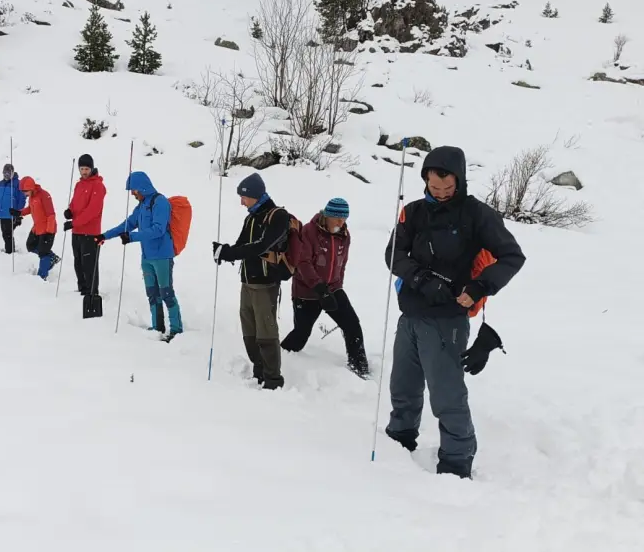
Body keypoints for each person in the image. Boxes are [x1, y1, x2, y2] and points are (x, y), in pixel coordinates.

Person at [384, 145, 526, 479]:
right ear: (426, 179)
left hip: (448, 320)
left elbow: (512, 256)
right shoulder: (413, 212)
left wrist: (479, 287)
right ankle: (400, 440)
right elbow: (394, 253)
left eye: (449, 187)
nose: (442, 193)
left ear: (459, 181)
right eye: (435, 186)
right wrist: (421, 279)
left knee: (446, 394)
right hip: (411, 315)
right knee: (402, 387)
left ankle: (457, 458)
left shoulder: (476, 214)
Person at [212, 173, 292, 390]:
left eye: (244, 197)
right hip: (247, 281)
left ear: (255, 195)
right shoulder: (251, 217)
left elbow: (261, 246)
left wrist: (229, 253)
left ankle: (273, 378)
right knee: (249, 327)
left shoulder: (277, 216)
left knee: (266, 329)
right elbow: (242, 245)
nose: (241, 202)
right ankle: (259, 370)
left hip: (265, 282)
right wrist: (224, 251)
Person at [280, 198, 370, 378]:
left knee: (352, 325)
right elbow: (303, 263)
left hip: (333, 288)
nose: (341, 222)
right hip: (307, 291)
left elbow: (342, 264)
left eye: (344, 218)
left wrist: (337, 286)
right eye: (337, 218)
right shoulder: (309, 231)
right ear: (327, 215)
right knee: (301, 333)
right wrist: (320, 289)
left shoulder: (345, 235)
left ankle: (359, 367)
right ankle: (280, 356)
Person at [96, 171, 183, 338]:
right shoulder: (142, 206)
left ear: (142, 187)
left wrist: (132, 237)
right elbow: (128, 224)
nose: (132, 193)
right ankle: (157, 327)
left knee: (166, 293)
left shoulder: (160, 202)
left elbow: (158, 229)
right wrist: (105, 236)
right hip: (147, 257)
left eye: (134, 190)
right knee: (152, 293)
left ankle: (176, 330)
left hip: (162, 256)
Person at [64, 154, 106, 297]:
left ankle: (92, 293)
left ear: (92, 168)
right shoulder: (78, 184)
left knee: (89, 265)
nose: (84, 172)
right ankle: (82, 290)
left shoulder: (98, 186)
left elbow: (93, 211)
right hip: (77, 232)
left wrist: (74, 223)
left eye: (87, 168)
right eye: (81, 169)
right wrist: (70, 211)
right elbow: (75, 202)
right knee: (78, 263)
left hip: (90, 232)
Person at [11, 176, 60, 280]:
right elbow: (31, 209)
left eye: (26, 191)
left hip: (47, 229)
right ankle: (52, 258)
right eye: (23, 192)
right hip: (37, 227)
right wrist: (19, 212)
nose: (24, 194)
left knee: (43, 252)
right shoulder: (32, 197)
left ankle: (42, 276)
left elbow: (51, 215)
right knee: (31, 246)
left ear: (32, 188)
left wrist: (49, 232)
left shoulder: (44, 195)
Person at [0, 164, 26, 253]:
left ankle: (9, 251)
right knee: (5, 233)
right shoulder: (0, 183)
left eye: (8, 173)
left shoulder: (17, 184)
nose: (6, 175)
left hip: (11, 214)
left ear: (12, 173)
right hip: (2, 213)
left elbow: (22, 199)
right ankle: (10, 249)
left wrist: (19, 213)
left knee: (8, 234)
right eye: (4, 173)